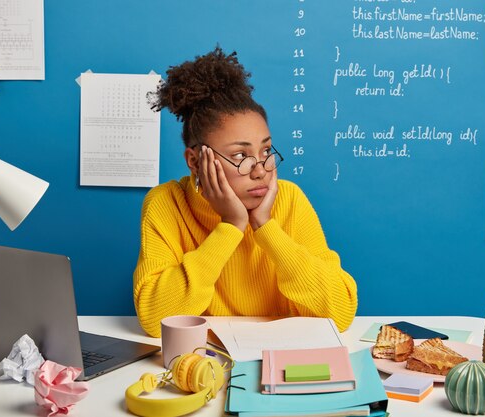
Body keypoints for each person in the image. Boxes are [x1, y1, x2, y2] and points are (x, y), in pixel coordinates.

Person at [133, 47, 357, 337]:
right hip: (206, 359)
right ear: (195, 161)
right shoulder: (166, 203)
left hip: (279, 358)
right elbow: (154, 320)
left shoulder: (288, 199)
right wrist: (230, 226)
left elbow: (339, 314)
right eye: (240, 156)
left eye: (265, 150)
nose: (261, 169)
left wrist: (265, 227)